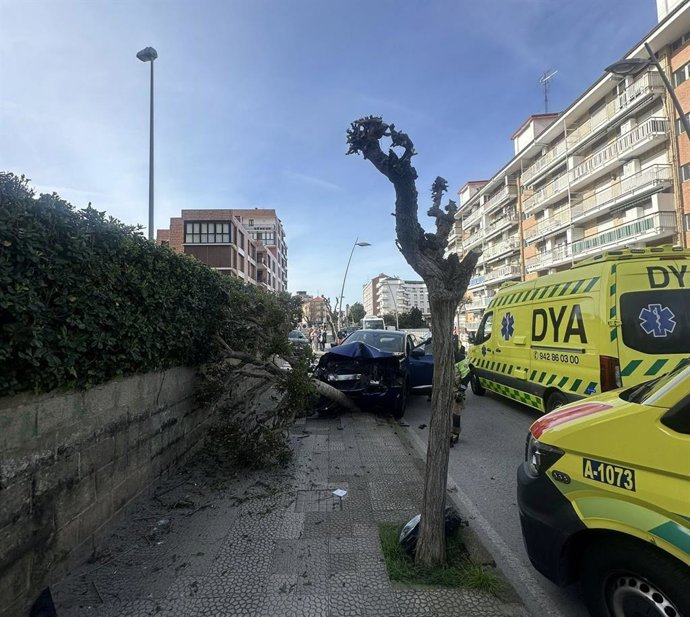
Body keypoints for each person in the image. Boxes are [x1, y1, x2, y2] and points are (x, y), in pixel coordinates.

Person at [451, 345, 471, 447]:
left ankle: (455, 433)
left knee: (456, 412)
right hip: (445, 390)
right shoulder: (442, 356)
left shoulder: (460, 358)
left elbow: (467, 375)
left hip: (456, 390)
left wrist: (461, 390)